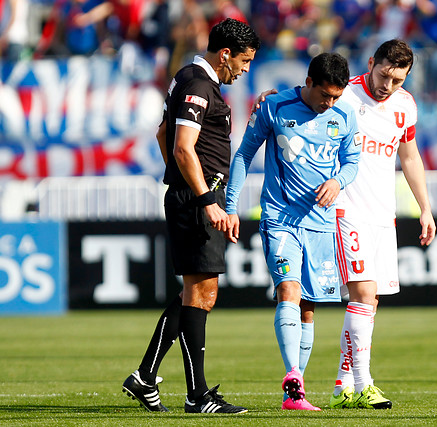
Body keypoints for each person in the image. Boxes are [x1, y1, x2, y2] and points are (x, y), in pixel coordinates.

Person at [121, 18, 260, 414]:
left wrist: (184, 185)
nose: (245, 69)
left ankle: (146, 376)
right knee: (202, 294)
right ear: (225, 54)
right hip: (198, 200)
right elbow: (182, 148)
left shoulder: (188, 78)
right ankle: (196, 396)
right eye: (244, 61)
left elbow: (162, 133)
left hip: (193, 195)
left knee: (195, 294)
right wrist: (203, 198)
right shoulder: (199, 86)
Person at [225, 52, 360, 411]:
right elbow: (243, 155)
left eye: (336, 97)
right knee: (289, 289)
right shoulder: (274, 106)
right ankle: (293, 377)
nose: (329, 104)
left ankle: (294, 392)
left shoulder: (345, 114)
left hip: (321, 224)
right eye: (325, 96)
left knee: (309, 307)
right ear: (309, 82)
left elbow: (352, 162)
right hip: (280, 218)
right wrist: (230, 206)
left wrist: (338, 181)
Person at [329, 39, 436, 409]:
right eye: (384, 75)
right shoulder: (343, 95)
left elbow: (409, 156)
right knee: (363, 293)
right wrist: (270, 96)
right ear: (371, 63)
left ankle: (343, 384)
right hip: (344, 209)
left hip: (381, 214)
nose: (387, 86)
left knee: (369, 301)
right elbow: (302, 101)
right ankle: (364, 383)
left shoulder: (405, 106)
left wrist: (425, 208)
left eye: (398, 80)